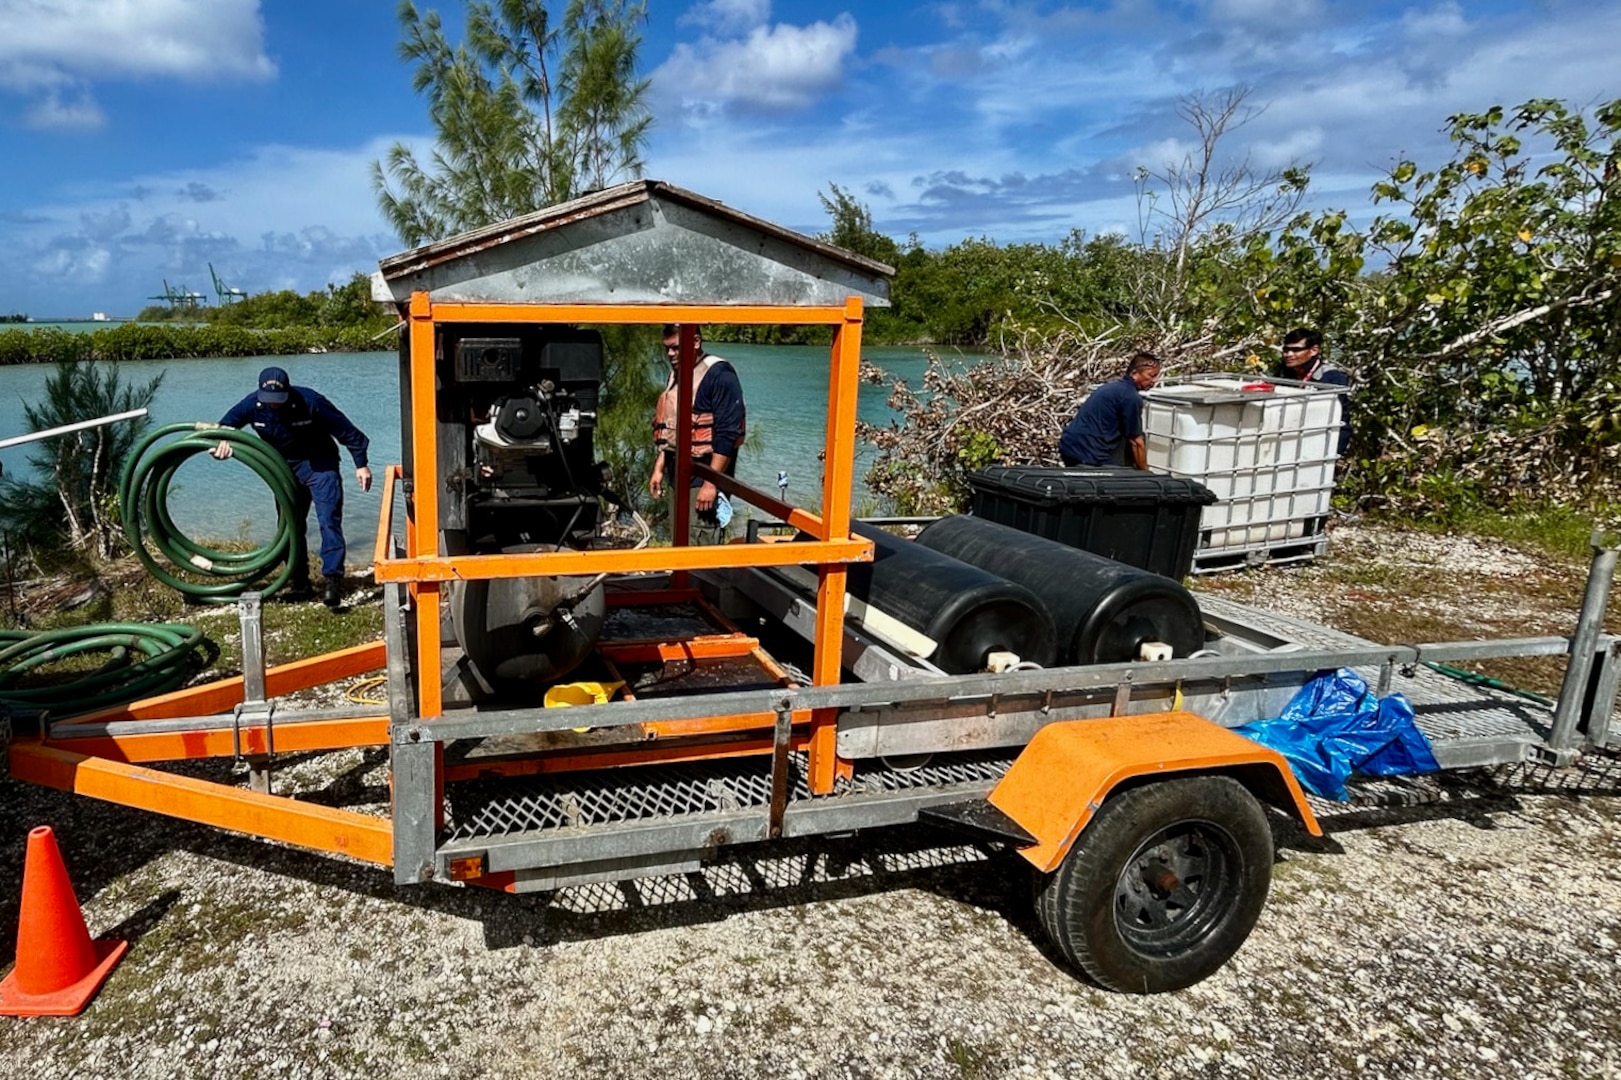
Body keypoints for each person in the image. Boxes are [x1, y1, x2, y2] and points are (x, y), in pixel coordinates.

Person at [213, 365, 372, 608]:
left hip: (320, 464)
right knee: (289, 525)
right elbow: (224, 428)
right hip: (283, 469)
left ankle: (332, 580)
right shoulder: (251, 405)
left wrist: (361, 465)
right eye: (269, 400)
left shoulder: (311, 402)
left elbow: (348, 432)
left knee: (328, 519)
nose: (274, 404)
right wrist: (222, 443)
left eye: (279, 399)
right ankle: (300, 583)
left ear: (288, 392)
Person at [648, 325, 745, 545]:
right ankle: (680, 580)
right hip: (677, 476)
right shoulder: (677, 375)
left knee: (699, 540)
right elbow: (672, 430)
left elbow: (728, 434)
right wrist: (659, 468)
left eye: (676, 348)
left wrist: (711, 483)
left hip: (703, 478)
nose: (670, 354)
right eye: (667, 349)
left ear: (696, 342)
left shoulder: (719, 375)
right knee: (678, 539)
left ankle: (700, 580)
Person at [1059, 351, 1162, 470]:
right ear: (1134, 373)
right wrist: (1146, 474)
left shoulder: (1112, 387)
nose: (1155, 381)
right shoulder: (1130, 397)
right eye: (1151, 375)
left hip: (1069, 445)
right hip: (1089, 453)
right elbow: (1136, 442)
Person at [1275, 327, 1351, 456]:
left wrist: (1335, 453)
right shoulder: (1282, 373)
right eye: (1286, 350)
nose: (1289, 355)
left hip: (1317, 442)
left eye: (1296, 350)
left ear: (1314, 350)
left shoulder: (1330, 377)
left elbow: (1340, 417)